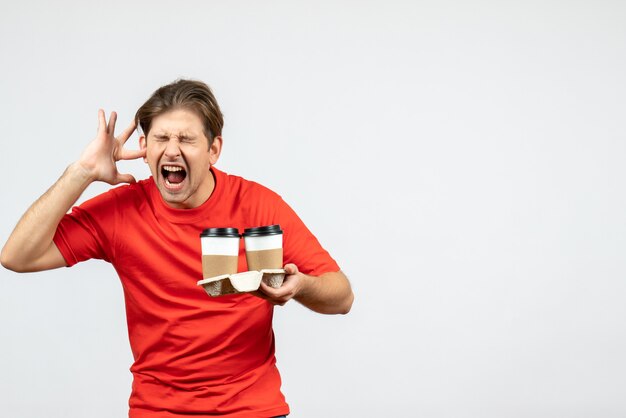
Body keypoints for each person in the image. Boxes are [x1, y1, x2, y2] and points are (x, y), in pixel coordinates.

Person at [1, 79, 354, 418]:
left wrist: (301, 286)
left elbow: (342, 297)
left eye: (186, 138)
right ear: (145, 148)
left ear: (214, 149)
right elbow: (17, 256)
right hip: (158, 411)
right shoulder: (122, 210)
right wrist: (82, 172)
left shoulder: (259, 206)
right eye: (161, 138)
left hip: (252, 409)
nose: (172, 149)